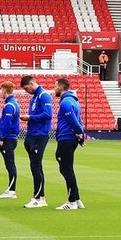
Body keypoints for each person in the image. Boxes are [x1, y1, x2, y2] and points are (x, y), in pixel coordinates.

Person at [19, 75, 52, 208]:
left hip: (40, 134)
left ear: (32, 83)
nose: (26, 91)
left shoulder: (43, 95)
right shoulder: (34, 97)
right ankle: (41, 197)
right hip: (32, 134)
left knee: (36, 166)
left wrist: (30, 117)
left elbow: (48, 114)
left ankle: (38, 198)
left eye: (27, 88)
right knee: (35, 166)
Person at [53, 78, 86, 210]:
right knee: (67, 168)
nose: (54, 88)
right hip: (70, 138)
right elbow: (80, 120)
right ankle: (77, 199)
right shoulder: (74, 101)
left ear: (61, 87)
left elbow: (74, 121)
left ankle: (71, 201)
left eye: (55, 86)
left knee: (65, 169)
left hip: (66, 138)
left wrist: (80, 133)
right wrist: (80, 136)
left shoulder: (66, 102)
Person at [0, 81, 20, 199]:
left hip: (8, 138)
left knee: (10, 164)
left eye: (1, 90)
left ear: (4, 90)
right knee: (9, 164)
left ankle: (12, 190)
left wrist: (2, 137)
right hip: (11, 137)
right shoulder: (12, 103)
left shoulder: (10, 105)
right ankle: (11, 188)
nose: (1, 92)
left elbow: (7, 123)